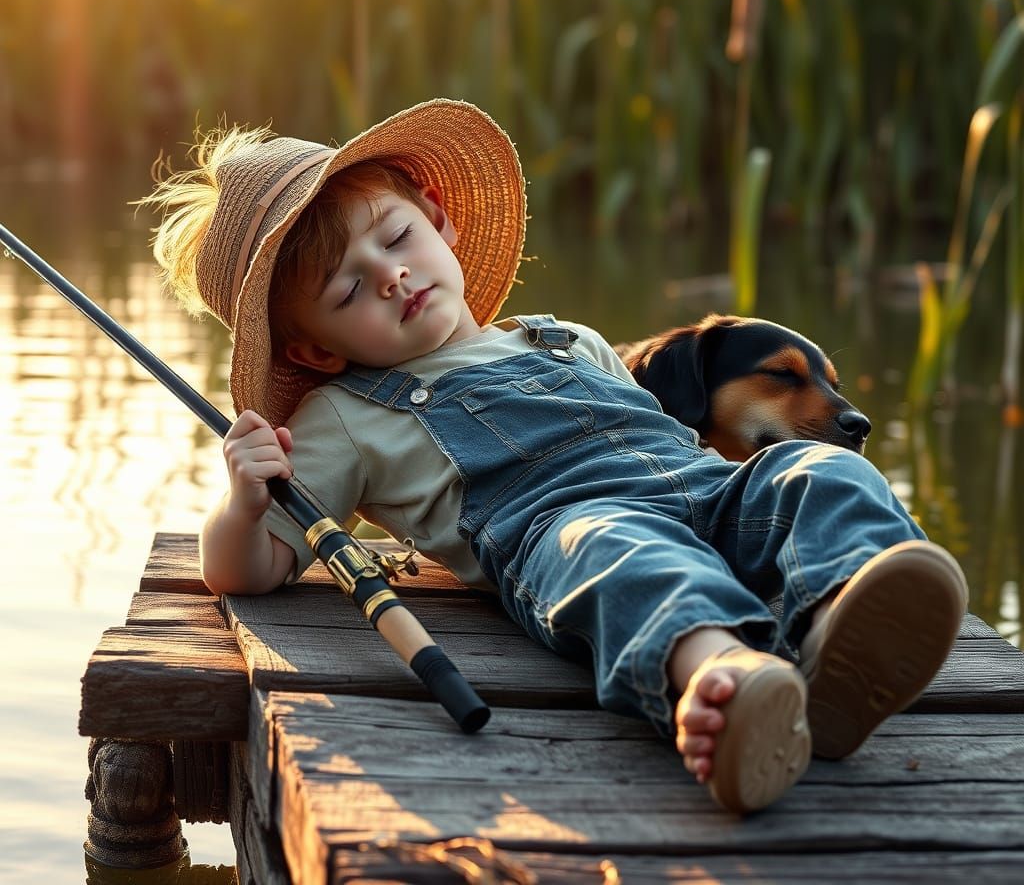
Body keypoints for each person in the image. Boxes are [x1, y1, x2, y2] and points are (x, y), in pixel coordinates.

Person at [140, 99, 968, 815]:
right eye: (348, 291)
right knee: (621, 554)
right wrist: (244, 501)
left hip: (709, 491)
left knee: (821, 471)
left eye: (395, 237)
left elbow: (663, 438)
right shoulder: (347, 415)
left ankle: (837, 632)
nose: (389, 276)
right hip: (568, 527)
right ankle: (723, 678)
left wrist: (751, 489)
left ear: (439, 217)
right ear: (316, 352)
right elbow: (248, 569)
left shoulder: (566, 340)